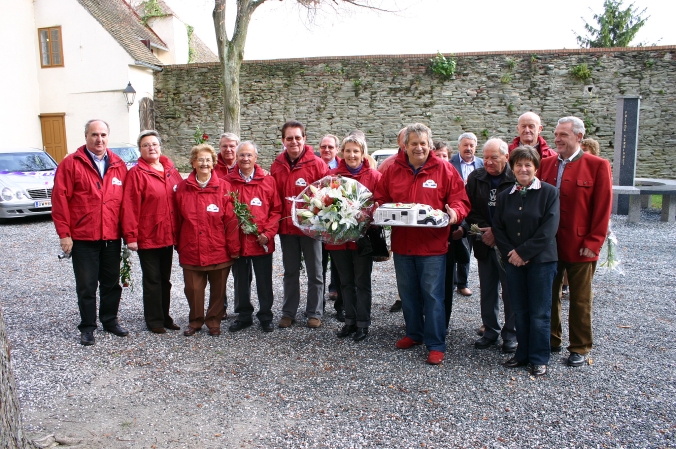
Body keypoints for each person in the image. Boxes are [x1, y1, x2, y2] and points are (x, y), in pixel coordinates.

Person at [374, 123, 470, 365]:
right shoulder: (392, 169)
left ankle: (436, 343)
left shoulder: (445, 170)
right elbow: (381, 197)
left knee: (433, 296)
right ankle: (414, 333)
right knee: (408, 294)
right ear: (405, 146)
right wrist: (378, 209)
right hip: (403, 245)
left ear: (430, 145)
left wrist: (454, 214)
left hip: (433, 248)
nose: (419, 148)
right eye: (414, 143)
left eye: (423, 143)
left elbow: (461, 201)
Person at [540, 116, 612, 367]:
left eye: (563, 135)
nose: (557, 139)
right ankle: (552, 339)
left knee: (580, 299)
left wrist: (594, 241)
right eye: (556, 134)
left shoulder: (597, 165)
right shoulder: (546, 164)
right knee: (549, 295)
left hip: (582, 245)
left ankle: (580, 346)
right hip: (549, 245)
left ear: (579, 137)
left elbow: (602, 208)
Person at [52, 119, 129, 346]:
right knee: (86, 285)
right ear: (86, 136)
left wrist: (128, 233)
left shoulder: (118, 164)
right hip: (84, 237)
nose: (99, 139)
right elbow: (59, 200)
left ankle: (109, 320)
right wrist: (64, 234)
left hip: (111, 236)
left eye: (103, 135)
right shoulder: (71, 164)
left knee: (111, 282)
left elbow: (126, 202)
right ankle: (87, 326)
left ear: (108, 137)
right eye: (94, 134)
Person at [493, 146, 560, 377]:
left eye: (528, 165)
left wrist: (524, 253)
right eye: (519, 165)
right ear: (512, 168)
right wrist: (512, 253)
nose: (523, 169)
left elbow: (549, 229)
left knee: (540, 312)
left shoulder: (549, 193)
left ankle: (539, 358)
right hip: (513, 262)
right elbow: (498, 229)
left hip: (541, 262)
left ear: (535, 168)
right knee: (520, 310)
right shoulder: (504, 196)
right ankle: (522, 355)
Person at [121, 130, 183, 334]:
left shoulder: (170, 170)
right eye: (146, 145)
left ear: (160, 147)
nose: (151, 148)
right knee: (152, 279)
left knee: (165, 279)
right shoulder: (136, 174)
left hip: (168, 234)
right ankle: (154, 319)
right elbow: (129, 206)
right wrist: (131, 236)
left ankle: (166, 316)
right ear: (140, 150)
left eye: (154, 144)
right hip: (147, 235)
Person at [175, 144, 240, 337]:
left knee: (218, 291)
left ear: (213, 164)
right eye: (200, 159)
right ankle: (195, 321)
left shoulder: (225, 188)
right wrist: (178, 244)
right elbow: (177, 220)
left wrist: (233, 248)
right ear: (193, 163)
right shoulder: (182, 189)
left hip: (218, 248)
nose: (204, 163)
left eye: (208, 160)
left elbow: (231, 221)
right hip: (191, 248)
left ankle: (214, 321)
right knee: (193, 289)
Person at [270, 120, 329, 329]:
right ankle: (288, 312)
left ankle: (314, 312)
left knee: (315, 272)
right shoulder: (277, 165)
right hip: (287, 229)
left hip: (310, 229)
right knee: (290, 271)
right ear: (283, 141)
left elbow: (328, 197)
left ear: (304, 139)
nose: (294, 142)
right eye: (289, 138)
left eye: (297, 137)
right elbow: (273, 196)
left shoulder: (317, 164)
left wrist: (317, 220)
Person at [463, 138, 518, 353]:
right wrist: (486, 230)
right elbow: (470, 208)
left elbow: (518, 211)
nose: (488, 162)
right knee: (487, 289)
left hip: (509, 245)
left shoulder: (515, 178)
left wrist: (497, 233)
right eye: (485, 157)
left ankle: (511, 334)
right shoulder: (475, 178)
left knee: (510, 291)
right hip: (484, 243)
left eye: (494, 158)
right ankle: (490, 331)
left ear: (506, 157)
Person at [327, 135, 382, 342]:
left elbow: (381, 201)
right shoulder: (333, 176)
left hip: (363, 238)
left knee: (362, 281)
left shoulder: (374, 176)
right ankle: (349, 320)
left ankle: (363, 323)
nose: (352, 155)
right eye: (348, 151)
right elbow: (324, 202)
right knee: (345, 282)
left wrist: (367, 214)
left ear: (363, 153)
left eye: (356, 151)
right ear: (342, 152)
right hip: (339, 238)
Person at [225, 141, 282, 333]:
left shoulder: (268, 180)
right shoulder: (227, 182)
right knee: (241, 280)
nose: (245, 158)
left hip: (261, 241)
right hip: (238, 241)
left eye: (249, 155)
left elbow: (276, 210)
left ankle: (266, 316)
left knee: (264, 281)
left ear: (256, 158)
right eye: (242, 155)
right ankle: (244, 316)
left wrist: (267, 233)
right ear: (236, 158)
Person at [450, 132, 484, 297]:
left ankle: (462, 283)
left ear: (476, 147)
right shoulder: (451, 164)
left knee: (468, 247)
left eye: (471, 145)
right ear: (459, 147)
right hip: (456, 211)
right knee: (456, 246)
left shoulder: (482, 164)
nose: (468, 148)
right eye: (465, 145)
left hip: (475, 212)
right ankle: (451, 281)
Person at [378, 127, 406, 313]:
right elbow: (380, 193)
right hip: (399, 225)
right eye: (406, 140)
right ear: (399, 142)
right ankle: (401, 295)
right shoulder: (389, 164)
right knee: (402, 265)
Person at [316, 134, 343, 317]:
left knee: (340, 267)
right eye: (324, 147)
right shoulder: (315, 167)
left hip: (339, 226)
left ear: (337, 149)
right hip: (319, 225)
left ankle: (341, 306)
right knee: (319, 267)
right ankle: (318, 306)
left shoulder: (341, 170)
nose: (327, 150)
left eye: (330, 147)